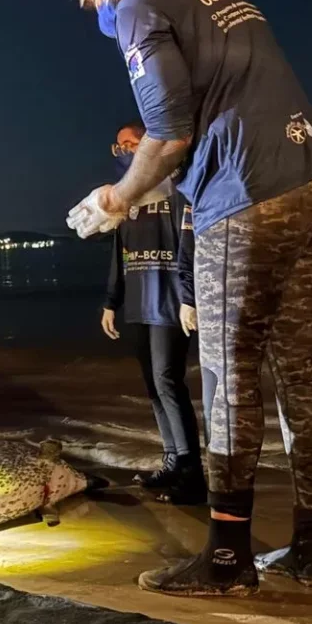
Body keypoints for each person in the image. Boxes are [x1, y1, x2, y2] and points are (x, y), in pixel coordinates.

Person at [62, 0, 312, 597]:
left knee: (227, 373)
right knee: (300, 370)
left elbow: (167, 132)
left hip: (246, 196)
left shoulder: (138, 5)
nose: (97, 15)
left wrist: (115, 199)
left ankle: (226, 557)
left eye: (89, 0)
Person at [100, 121, 205, 505]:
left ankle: (192, 473)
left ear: (149, 144)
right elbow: (120, 250)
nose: (124, 151)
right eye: (119, 147)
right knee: (153, 386)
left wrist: (190, 297)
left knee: (168, 381)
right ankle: (172, 461)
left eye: (131, 144)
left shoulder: (176, 186)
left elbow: (189, 242)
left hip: (170, 300)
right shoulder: (126, 195)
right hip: (139, 301)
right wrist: (111, 301)